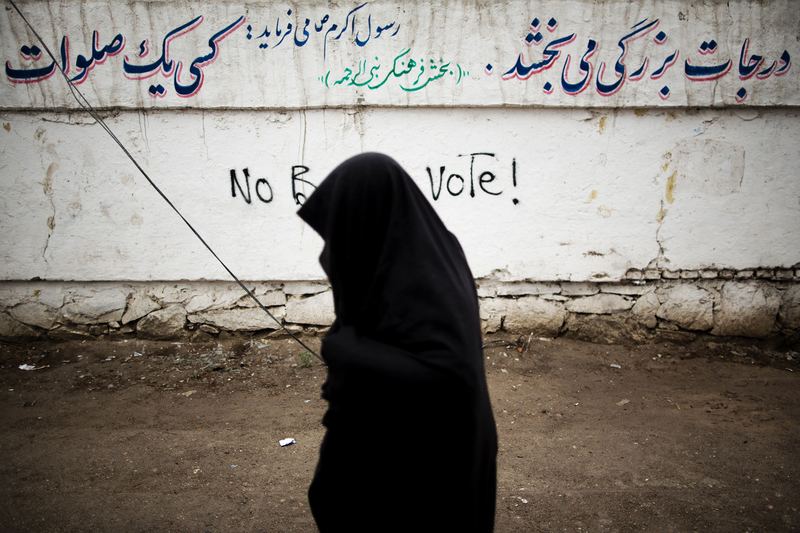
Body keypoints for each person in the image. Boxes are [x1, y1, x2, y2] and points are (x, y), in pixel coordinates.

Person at [298, 152, 497, 532]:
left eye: (340, 233)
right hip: (446, 452)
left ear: (362, 223)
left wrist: (343, 351)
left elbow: (449, 374)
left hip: (425, 466)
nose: (330, 253)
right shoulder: (428, 253)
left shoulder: (414, 278)